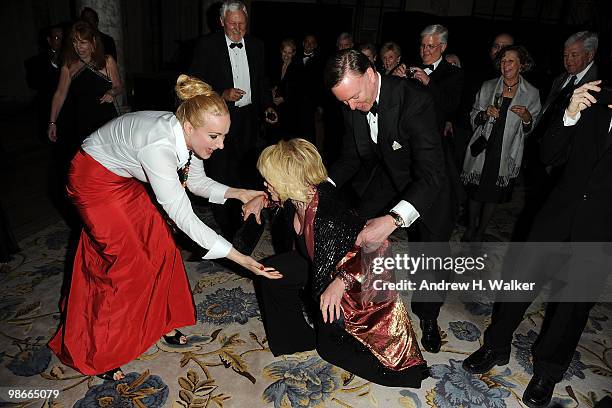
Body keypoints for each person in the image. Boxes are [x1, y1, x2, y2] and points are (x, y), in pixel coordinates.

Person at [48, 74, 280, 382]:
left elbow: (195, 182)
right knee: (125, 263)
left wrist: (239, 192)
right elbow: (185, 217)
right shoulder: (159, 147)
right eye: (214, 137)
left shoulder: (187, 134)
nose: (221, 145)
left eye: (223, 136)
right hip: (92, 179)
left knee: (160, 243)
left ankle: (163, 320)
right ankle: (97, 351)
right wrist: (239, 257)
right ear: (188, 128)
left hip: (122, 178)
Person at [463, 80, 612, 408]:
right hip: (555, 217)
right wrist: (570, 114)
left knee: (572, 307)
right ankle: (496, 344)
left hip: (600, 231)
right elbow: (548, 154)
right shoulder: (592, 106)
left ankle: (548, 369)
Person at [251, 138, 428, 387]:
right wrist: (261, 199)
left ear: (287, 181)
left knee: (329, 350)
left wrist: (341, 281)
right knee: (270, 274)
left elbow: (377, 247)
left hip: (355, 284)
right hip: (318, 263)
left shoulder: (331, 215)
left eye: (269, 179)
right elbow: (277, 201)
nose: (265, 183)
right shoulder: (298, 196)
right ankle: (296, 338)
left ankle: (401, 372)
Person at [324, 49, 452, 353]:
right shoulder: (352, 102)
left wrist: (394, 220)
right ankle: (357, 303)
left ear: (370, 75)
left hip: (430, 183)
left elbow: (431, 175)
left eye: (354, 97)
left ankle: (429, 317)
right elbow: (351, 156)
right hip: (390, 177)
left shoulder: (415, 100)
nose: (352, 107)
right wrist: (323, 185)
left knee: (431, 254)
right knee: (355, 226)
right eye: (345, 102)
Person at [190, 0, 277, 255]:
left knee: (249, 175)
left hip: (249, 121)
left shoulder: (257, 46)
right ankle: (230, 233)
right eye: (233, 24)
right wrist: (221, 94)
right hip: (219, 121)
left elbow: (261, 82)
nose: (238, 29)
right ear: (221, 22)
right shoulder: (206, 47)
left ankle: (247, 228)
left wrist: (268, 106)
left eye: (242, 24)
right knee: (220, 174)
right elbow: (193, 86)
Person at [517, 31, 599, 239]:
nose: (567, 60)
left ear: (590, 55)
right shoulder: (561, 79)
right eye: (565, 55)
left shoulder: (596, 86)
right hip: (544, 155)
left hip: (565, 166)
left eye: (574, 55)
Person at [461, 46, 541, 242]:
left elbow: (531, 128)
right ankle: (471, 228)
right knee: (475, 190)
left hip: (505, 150)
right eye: (503, 61)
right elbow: (473, 116)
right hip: (484, 145)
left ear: (522, 65)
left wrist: (527, 118)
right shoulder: (488, 86)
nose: (505, 65)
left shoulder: (531, 92)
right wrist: (484, 113)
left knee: (492, 194)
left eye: (511, 61)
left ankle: (480, 232)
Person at [48, 20, 122, 161]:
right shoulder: (69, 65)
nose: (78, 47)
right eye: (75, 42)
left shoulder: (107, 61)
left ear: (93, 41)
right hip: (80, 122)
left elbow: (118, 86)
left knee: (108, 161)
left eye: (83, 42)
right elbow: (59, 94)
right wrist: (52, 122)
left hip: (105, 121)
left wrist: (112, 92)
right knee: (83, 163)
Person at [270, 38, 303, 140]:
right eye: (285, 52)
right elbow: (272, 82)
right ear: (281, 51)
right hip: (276, 107)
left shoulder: (298, 68)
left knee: (288, 138)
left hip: (291, 109)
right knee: (275, 136)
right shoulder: (276, 64)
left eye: (289, 53)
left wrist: (284, 98)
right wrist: (272, 90)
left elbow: (300, 91)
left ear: (293, 53)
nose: (286, 55)